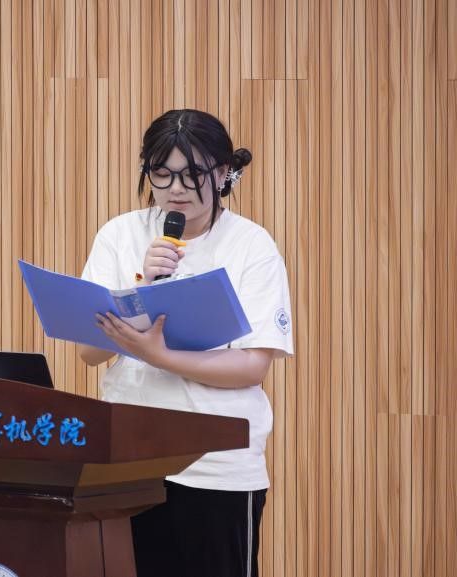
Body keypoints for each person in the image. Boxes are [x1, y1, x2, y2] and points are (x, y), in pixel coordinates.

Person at [78, 109, 294, 577]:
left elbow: (252, 366)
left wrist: (161, 356)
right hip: (127, 462)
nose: (175, 188)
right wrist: (141, 285)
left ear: (222, 173)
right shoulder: (119, 235)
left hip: (216, 469)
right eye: (162, 173)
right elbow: (90, 353)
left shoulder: (252, 245)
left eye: (191, 174)